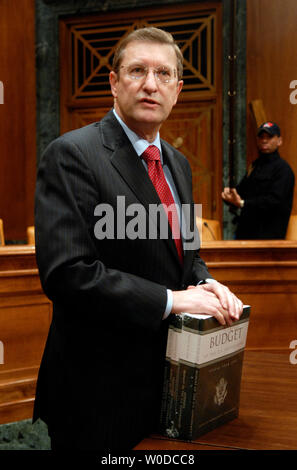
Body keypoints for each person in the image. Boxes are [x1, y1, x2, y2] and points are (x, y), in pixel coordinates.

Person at [33, 27, 243, 451]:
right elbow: (67, 274)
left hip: (169, 381)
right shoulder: (72, 154)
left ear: (178, 90)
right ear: (113, 82)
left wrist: (204, 283)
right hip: (97, 390)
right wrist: (171, 299)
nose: (151, 84)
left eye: (164, 74)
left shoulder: (179, 165)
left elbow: (186, 254)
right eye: (137, 70)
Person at [222, 122, 295, 239]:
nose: (264, 140)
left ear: (279, 141)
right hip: (245, 233)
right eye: (261, 137)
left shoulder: (284, 170)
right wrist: (230, 196)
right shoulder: (255, 166)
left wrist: (242, 203)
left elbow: (274, 202)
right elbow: (241, 191)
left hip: (269, 238)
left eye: (269, 137)